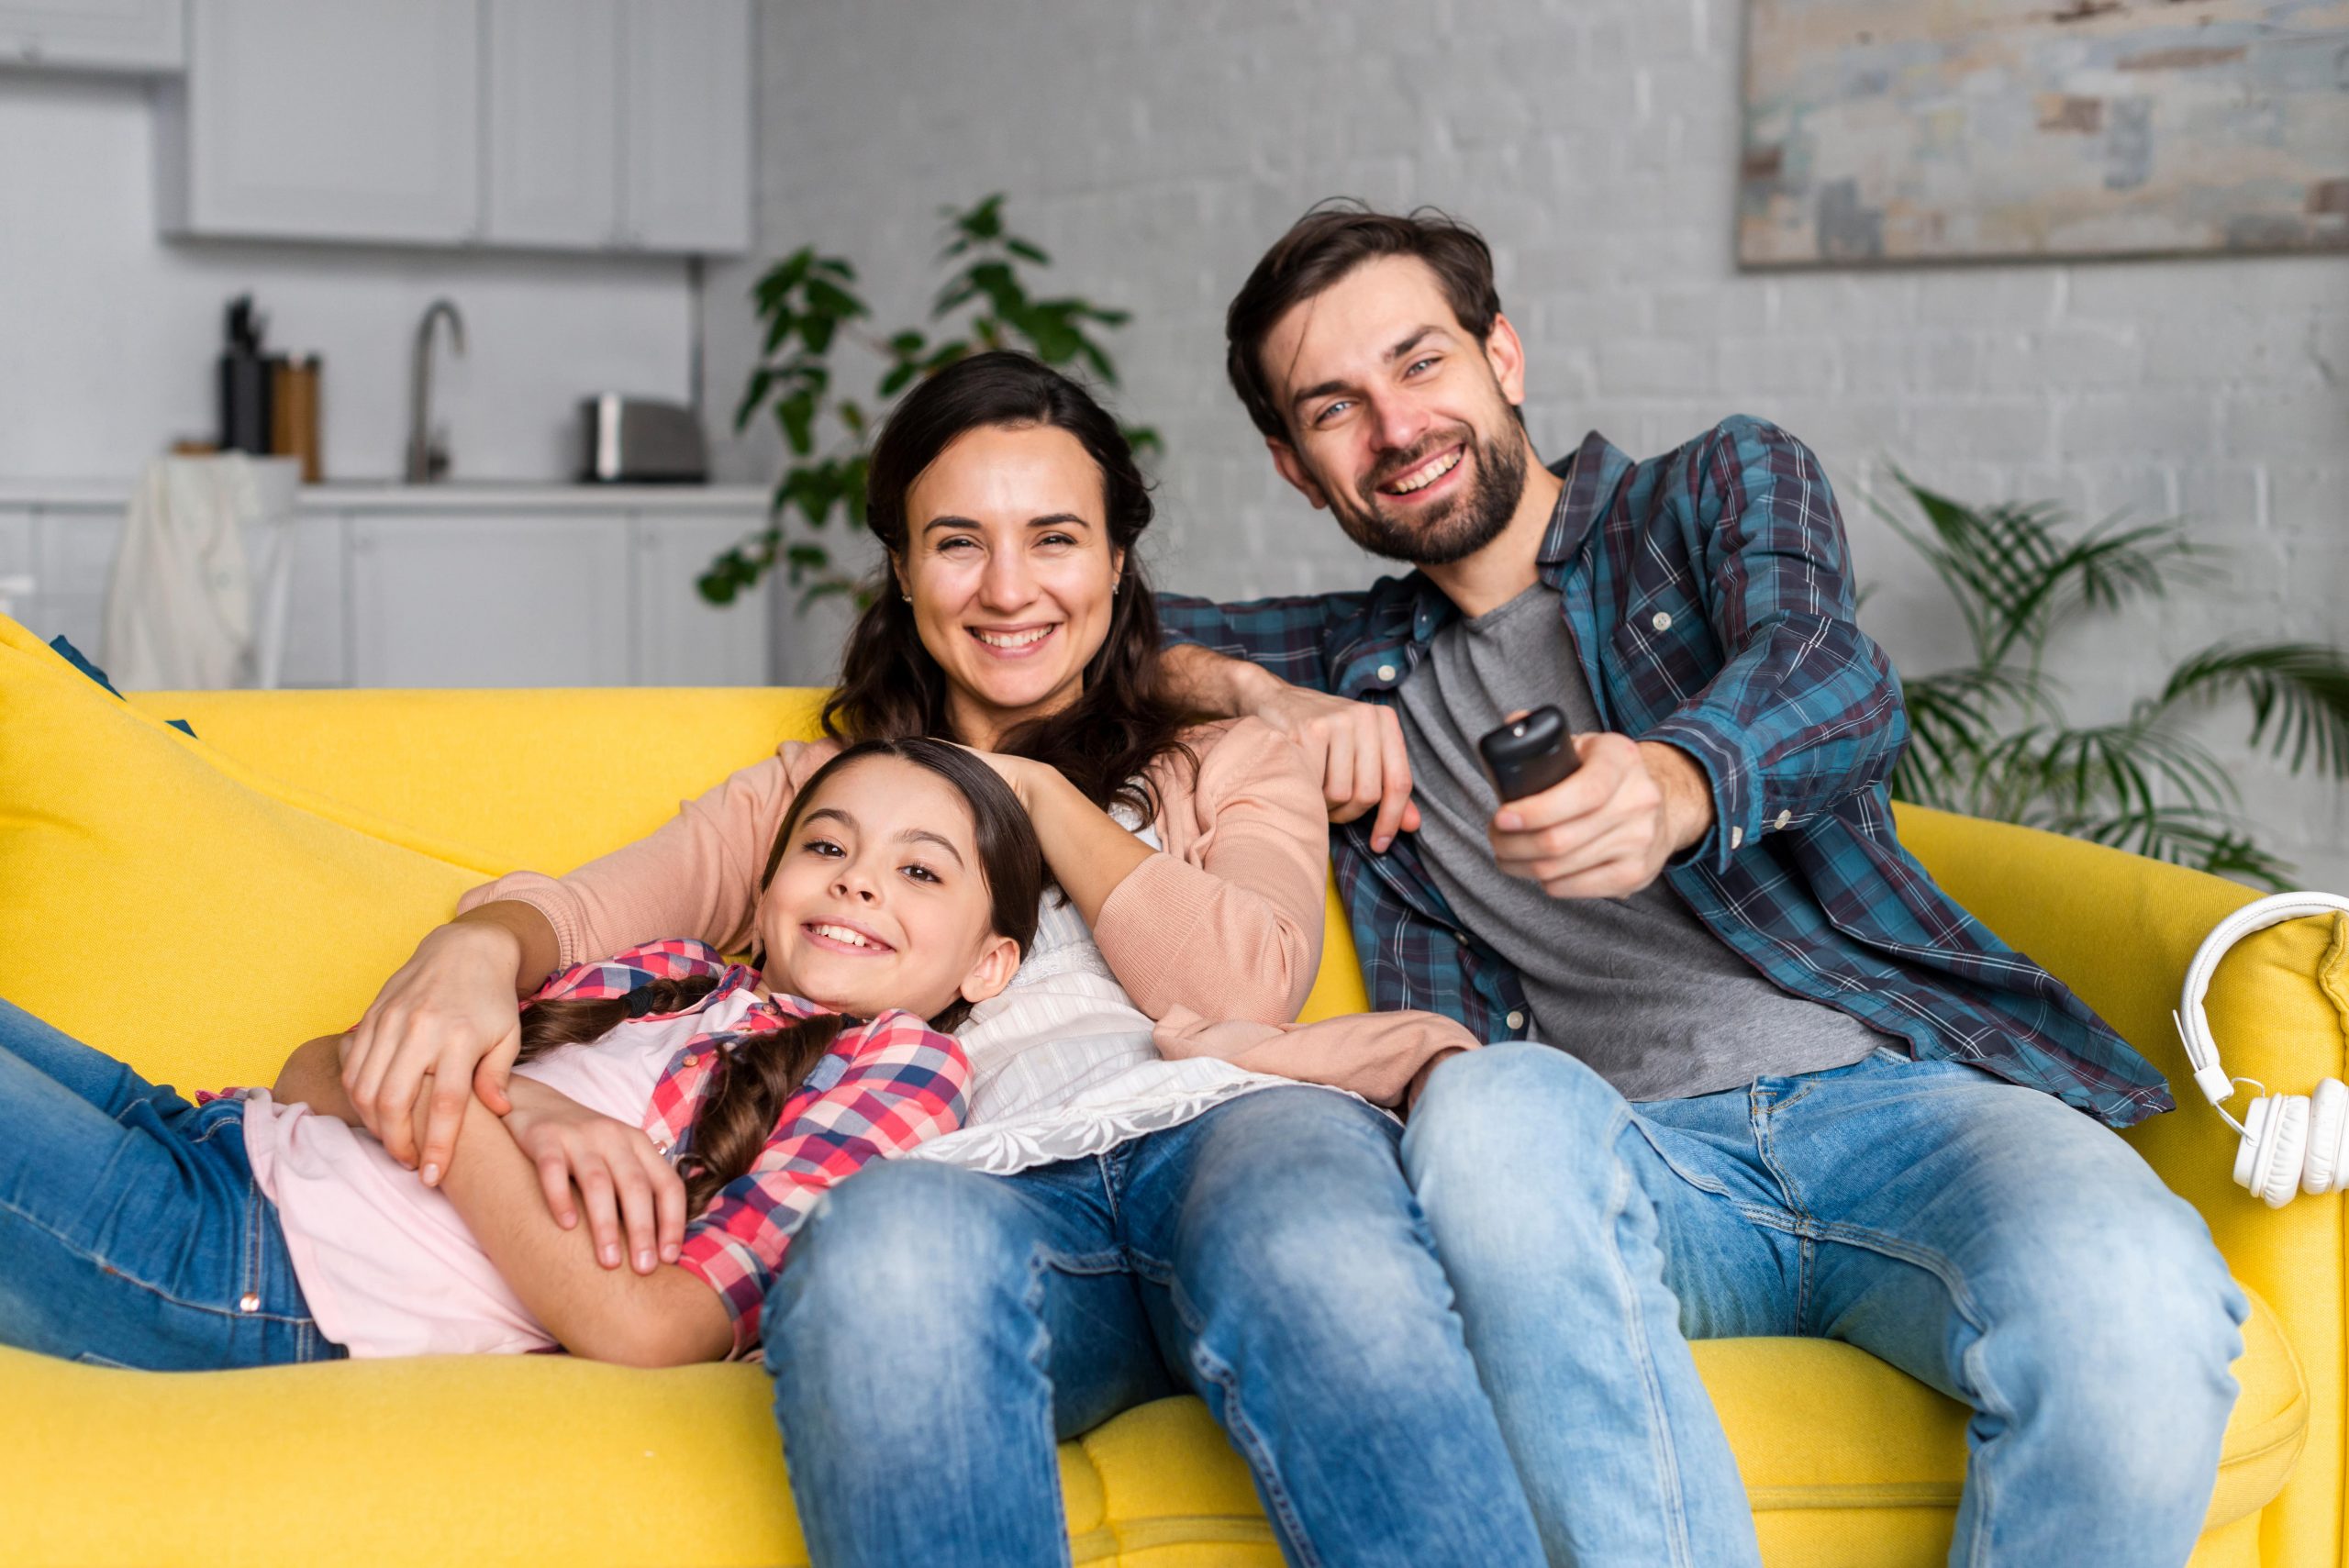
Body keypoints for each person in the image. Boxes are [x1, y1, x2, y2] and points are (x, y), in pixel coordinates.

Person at [1159, 202, 2247, 1568]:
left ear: (1503, 354)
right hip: (1632, 1166)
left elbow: (1832, 674)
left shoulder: (1711, 491)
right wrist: (1261, 695)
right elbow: (1070, 629)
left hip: (1902, 1107)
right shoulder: (1353, 657)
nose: (1396, 426)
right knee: (1482, 1105)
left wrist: (1681, 780)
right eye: (1334, 406)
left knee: (2137, 1296)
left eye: (1421, 362)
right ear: (1292, 466)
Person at [337, 350, 1550, 1567]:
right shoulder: (816, 797)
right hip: (971, 1186)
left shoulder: (1227, 760)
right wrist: (473, 950)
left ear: (1117, 565)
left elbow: (1241, 984)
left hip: (1225, 1130)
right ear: (907, 571)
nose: (1009, 588)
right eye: (959, 541)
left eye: (1057, 538)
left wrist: (1022, 788)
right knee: (876, 1259)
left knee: (1315, 1241)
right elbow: (582, 911)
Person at [0, 739, 1035, 1370]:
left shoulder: (899, 1065)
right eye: (825, 845)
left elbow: (652, 1328)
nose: (857, 881)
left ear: (990, 964)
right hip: (200, 1133)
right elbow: (318, 1068)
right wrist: (537, 1117)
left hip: (248, 1263)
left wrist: (486, 1112)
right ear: (763, 903)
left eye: (919, 871)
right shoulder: (670, 969)